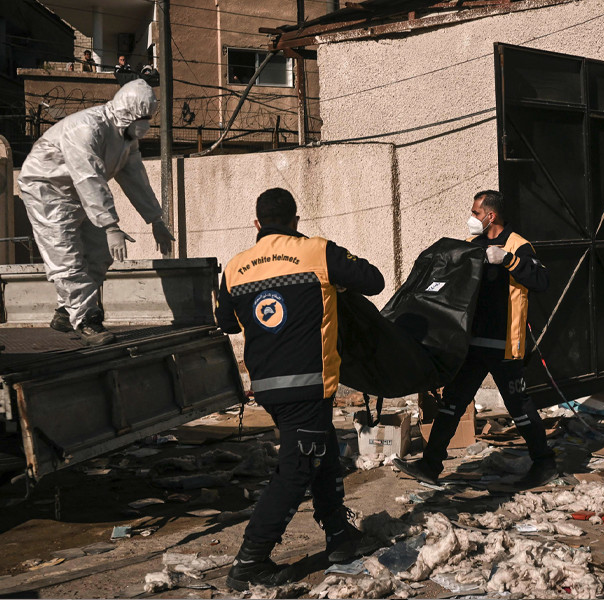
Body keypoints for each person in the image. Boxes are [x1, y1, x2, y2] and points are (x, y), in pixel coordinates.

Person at [216, 188, 385, 591]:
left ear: (256, 224)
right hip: (308, 385)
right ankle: (250, 561)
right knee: (295, 471)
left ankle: (339, 537)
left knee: (321, 452)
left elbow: (227, 323)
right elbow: (374, 281)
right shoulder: (317, 252)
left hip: (268, 389)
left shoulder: (234, 267)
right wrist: (335, 286)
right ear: (295, 220)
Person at [394, 190, 557, 488]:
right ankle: (431, 465)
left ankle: (544, 463)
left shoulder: (518, 245)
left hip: (505, 344)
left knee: (518, 405)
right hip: (472, 343)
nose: (472, 219)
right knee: (452, 402)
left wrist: (509, 260)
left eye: (476, 213)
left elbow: (541, 281)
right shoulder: (471, 245)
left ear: (490, 216)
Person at [18, 79, 174, 346]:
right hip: (46, 188)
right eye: (142, 117)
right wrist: (111, 226)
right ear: (127, 112)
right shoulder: (87, 128)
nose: (146, 123)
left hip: (77, 190)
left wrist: (155, 219)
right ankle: (87, 320)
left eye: (148, 117)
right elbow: (89, 177)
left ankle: (67, 312)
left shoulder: (125, 137)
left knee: (99, 252)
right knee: (66, 256)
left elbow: (135, 176)